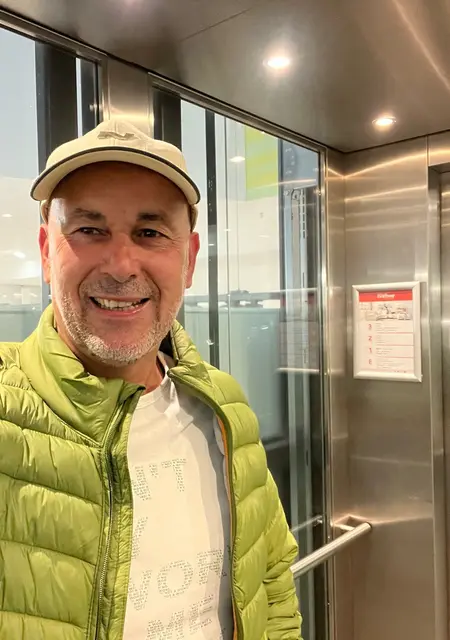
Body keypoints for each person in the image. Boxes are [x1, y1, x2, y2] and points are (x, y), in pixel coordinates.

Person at [0, 119, 302, 640]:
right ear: (47, 251)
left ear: (189, 260)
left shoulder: (226, 407)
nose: (121, 265)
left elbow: (271, 584)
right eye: (89, 229)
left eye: (150, 233)